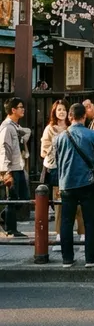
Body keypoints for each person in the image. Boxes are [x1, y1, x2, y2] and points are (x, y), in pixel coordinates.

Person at [54, 103, 94, 267]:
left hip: (67, 184)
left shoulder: (60, 137)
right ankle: (90, 258)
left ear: (70, 117)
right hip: (87, 182)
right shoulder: (92, 135)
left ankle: (67, 258)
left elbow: (58, 161)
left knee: (66, 222)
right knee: (90, 221)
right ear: (84, 116)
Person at [41, 100, 85, 244]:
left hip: (73, 167)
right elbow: (43, 151)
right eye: (59, 109)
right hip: (56, 169)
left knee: (79, 202)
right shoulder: (49, 129)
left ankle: (82, 232)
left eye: (64, 109)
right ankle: (60, 234)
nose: (61, 112)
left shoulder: (72, 127)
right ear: (54, 111)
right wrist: (55, 145)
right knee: (60, 203)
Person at [0, 98, 30, 238]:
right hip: (11, 168)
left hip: (18, 166)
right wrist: (6, 171)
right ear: (13, 110)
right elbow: (4, 149)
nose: (23, 109)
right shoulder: (6, 127)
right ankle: (10, 228)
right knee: (12, 198)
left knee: (23, 197)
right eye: (20, 107)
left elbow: (26, 133)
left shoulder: (15, 126)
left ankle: (4, 218)